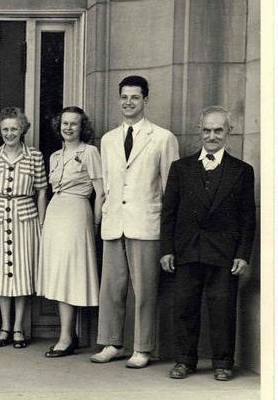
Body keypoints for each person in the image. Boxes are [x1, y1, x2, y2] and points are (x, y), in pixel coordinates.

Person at [160, 106, 256, 381]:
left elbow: (248, 217)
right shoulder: (180, 168)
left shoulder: (242, 171)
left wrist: (243, 254)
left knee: (222, 307)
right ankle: (184, 360)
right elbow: (169, 213)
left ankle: (223, 362)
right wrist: (167, 249)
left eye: (218, 130)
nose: (211, 136)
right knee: (185, 307)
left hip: (224, 253)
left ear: (228, 132)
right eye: (206, 130)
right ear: (199, 130)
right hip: (187, 250)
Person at [91, 75, 179, 368]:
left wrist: (169, 232)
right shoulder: (108, 139)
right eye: (124, 97)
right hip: (115, 222)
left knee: (145, 290)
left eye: (135, 97)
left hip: (146, 223)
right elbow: (110, 186)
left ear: (145, 100)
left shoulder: (162, 138)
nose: (128, 103)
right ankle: (112, 343)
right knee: (112, 288)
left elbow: (170, 188)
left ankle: (142, 348)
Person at [36, 106, 104, 357]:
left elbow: (101, 192)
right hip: (56, 212)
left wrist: (96, 225)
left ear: (81, 127)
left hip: (77, 212)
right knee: (59, 272)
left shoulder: (90, 152)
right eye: (65, 123)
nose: (68, 127)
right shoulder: (54, 156)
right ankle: (67, 334)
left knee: (71, 272)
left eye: (74, 124)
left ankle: (67, 336)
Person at [0, 107, 46, 349]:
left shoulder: (34, 156)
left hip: (24, 218)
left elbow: (41, 191)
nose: (9, 133)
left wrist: (40, 223)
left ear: (22, 130)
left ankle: (18, 327)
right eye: (5, 129)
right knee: (1, 274)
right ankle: (4, 327)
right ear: (0, 130)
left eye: (14, 129)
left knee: (21, 274)